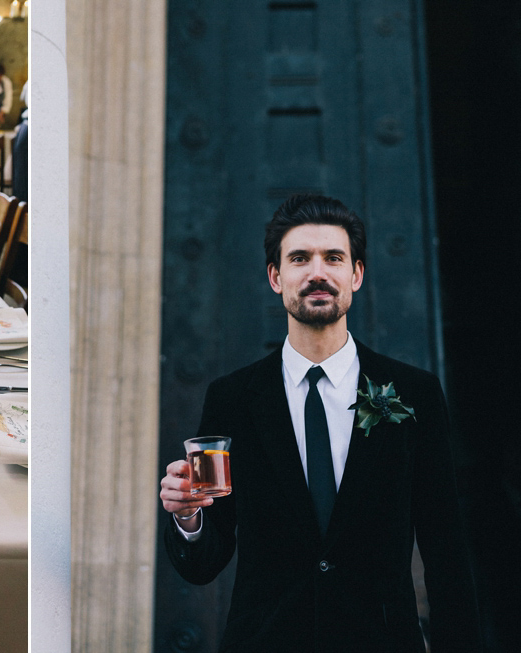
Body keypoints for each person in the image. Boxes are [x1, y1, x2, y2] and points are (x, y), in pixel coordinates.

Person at [159, 195, 481, 652]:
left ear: (356, 274)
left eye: (333, 257)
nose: (317, 272)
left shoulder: (415, 393)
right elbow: (204, 564)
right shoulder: (232, 398)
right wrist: (188, 515)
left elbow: (445, 548)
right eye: (299, 259)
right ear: (276, 277)